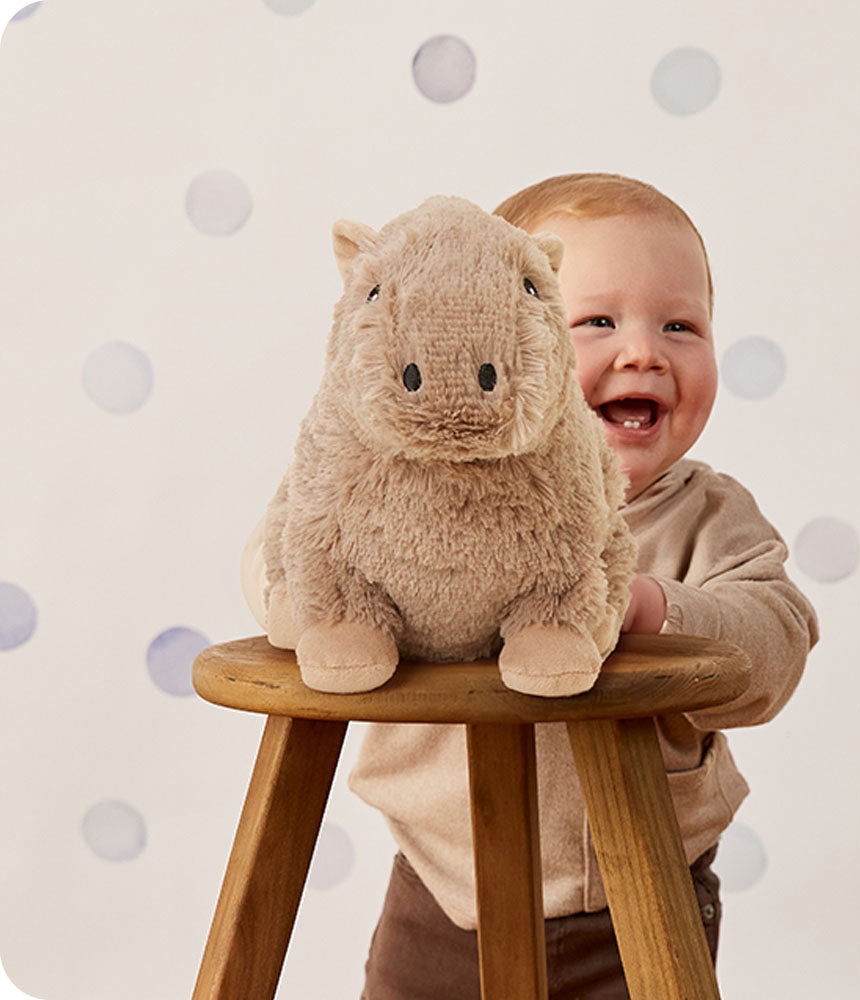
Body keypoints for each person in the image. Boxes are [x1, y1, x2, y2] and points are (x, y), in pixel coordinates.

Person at [240, 172, 819, 998]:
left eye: (681, 325)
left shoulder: (708, 514)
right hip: (441, 895)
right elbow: (288, 538)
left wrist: (654, 609)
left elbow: (777, 638)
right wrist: (307, 606)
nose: (644, 351)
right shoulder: (395, 495)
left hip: (643, 896)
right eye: (596, 322)